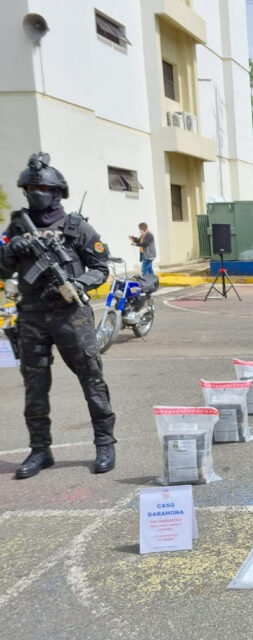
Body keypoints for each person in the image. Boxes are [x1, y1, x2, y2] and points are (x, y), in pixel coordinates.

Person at [0, 152, 117, 479]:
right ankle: (40, 450)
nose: (36, 192)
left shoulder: (77, 227)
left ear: (56, 191)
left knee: (91, 379)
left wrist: (78, 283)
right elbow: (2, 267)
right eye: (31, 186)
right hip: (32, 317)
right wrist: (11, 250)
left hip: (70, 315)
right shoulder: (18, 225)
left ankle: (105, 442)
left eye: (42, 186)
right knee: (34, 386)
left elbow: (100, 268)